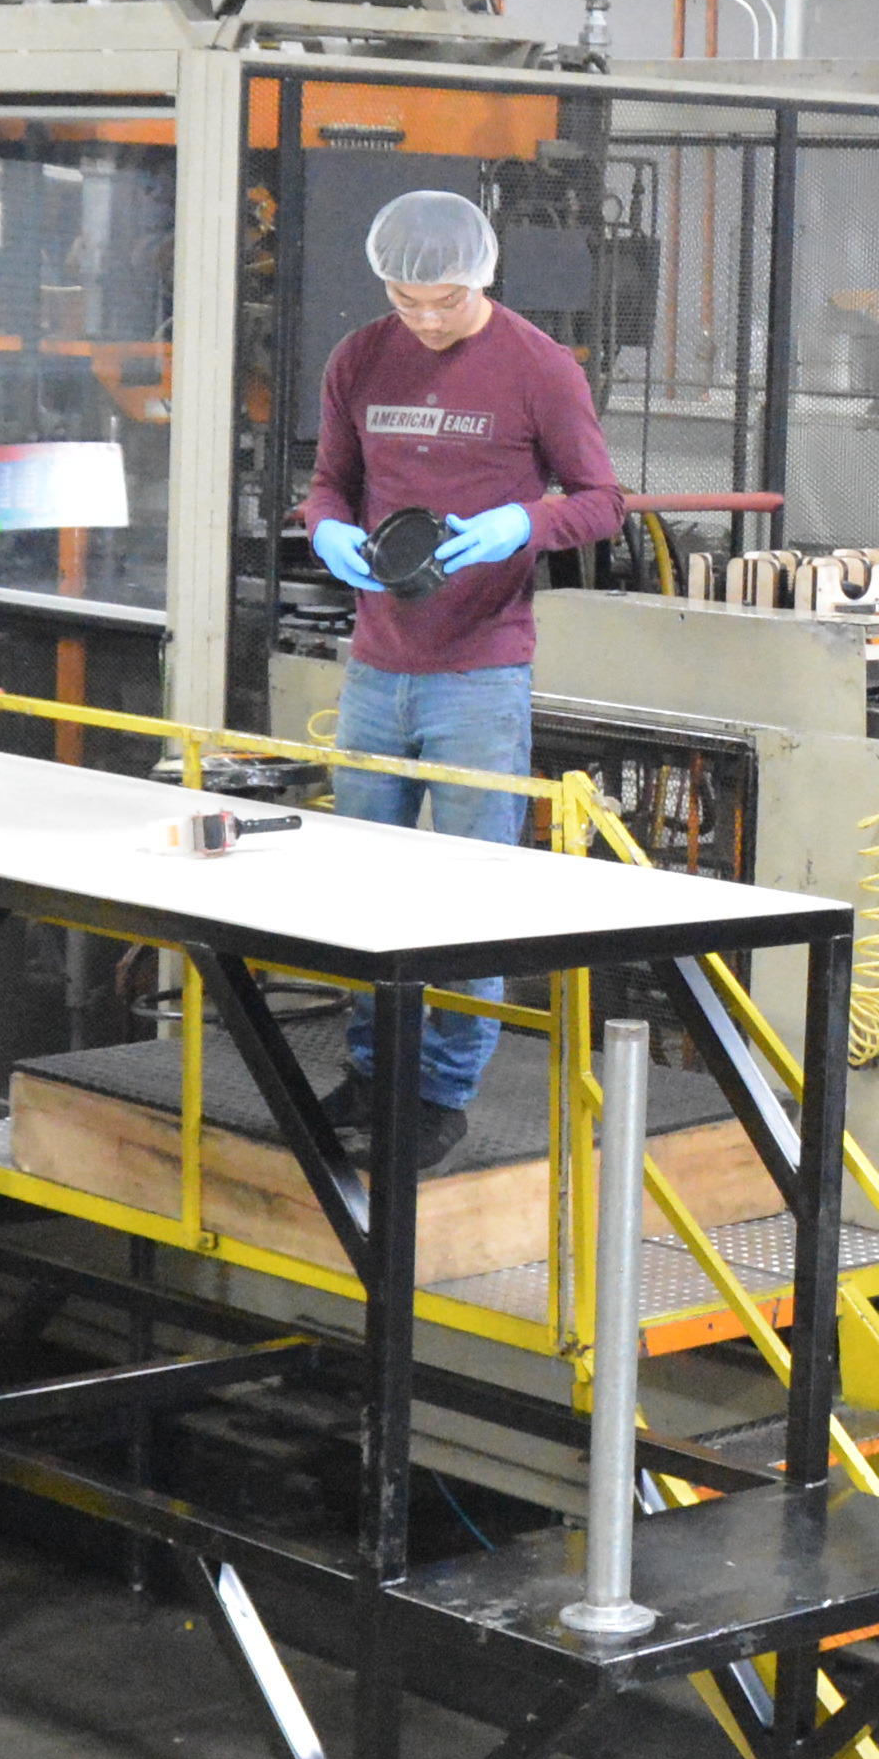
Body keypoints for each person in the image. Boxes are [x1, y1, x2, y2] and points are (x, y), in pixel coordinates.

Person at [301, 188, 625, 1166]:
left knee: (470, 891)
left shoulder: (538, 366)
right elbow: (329, 481)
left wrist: (524, 523)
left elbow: (605, 500)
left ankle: (439, 1091)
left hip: (480, 672)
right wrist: (327, 529)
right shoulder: (360, 356)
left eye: (444, 300)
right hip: (376, 664)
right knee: (362, 881)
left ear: (481, 276)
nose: (427, 319)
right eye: (407, 299)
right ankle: (371, 1070)